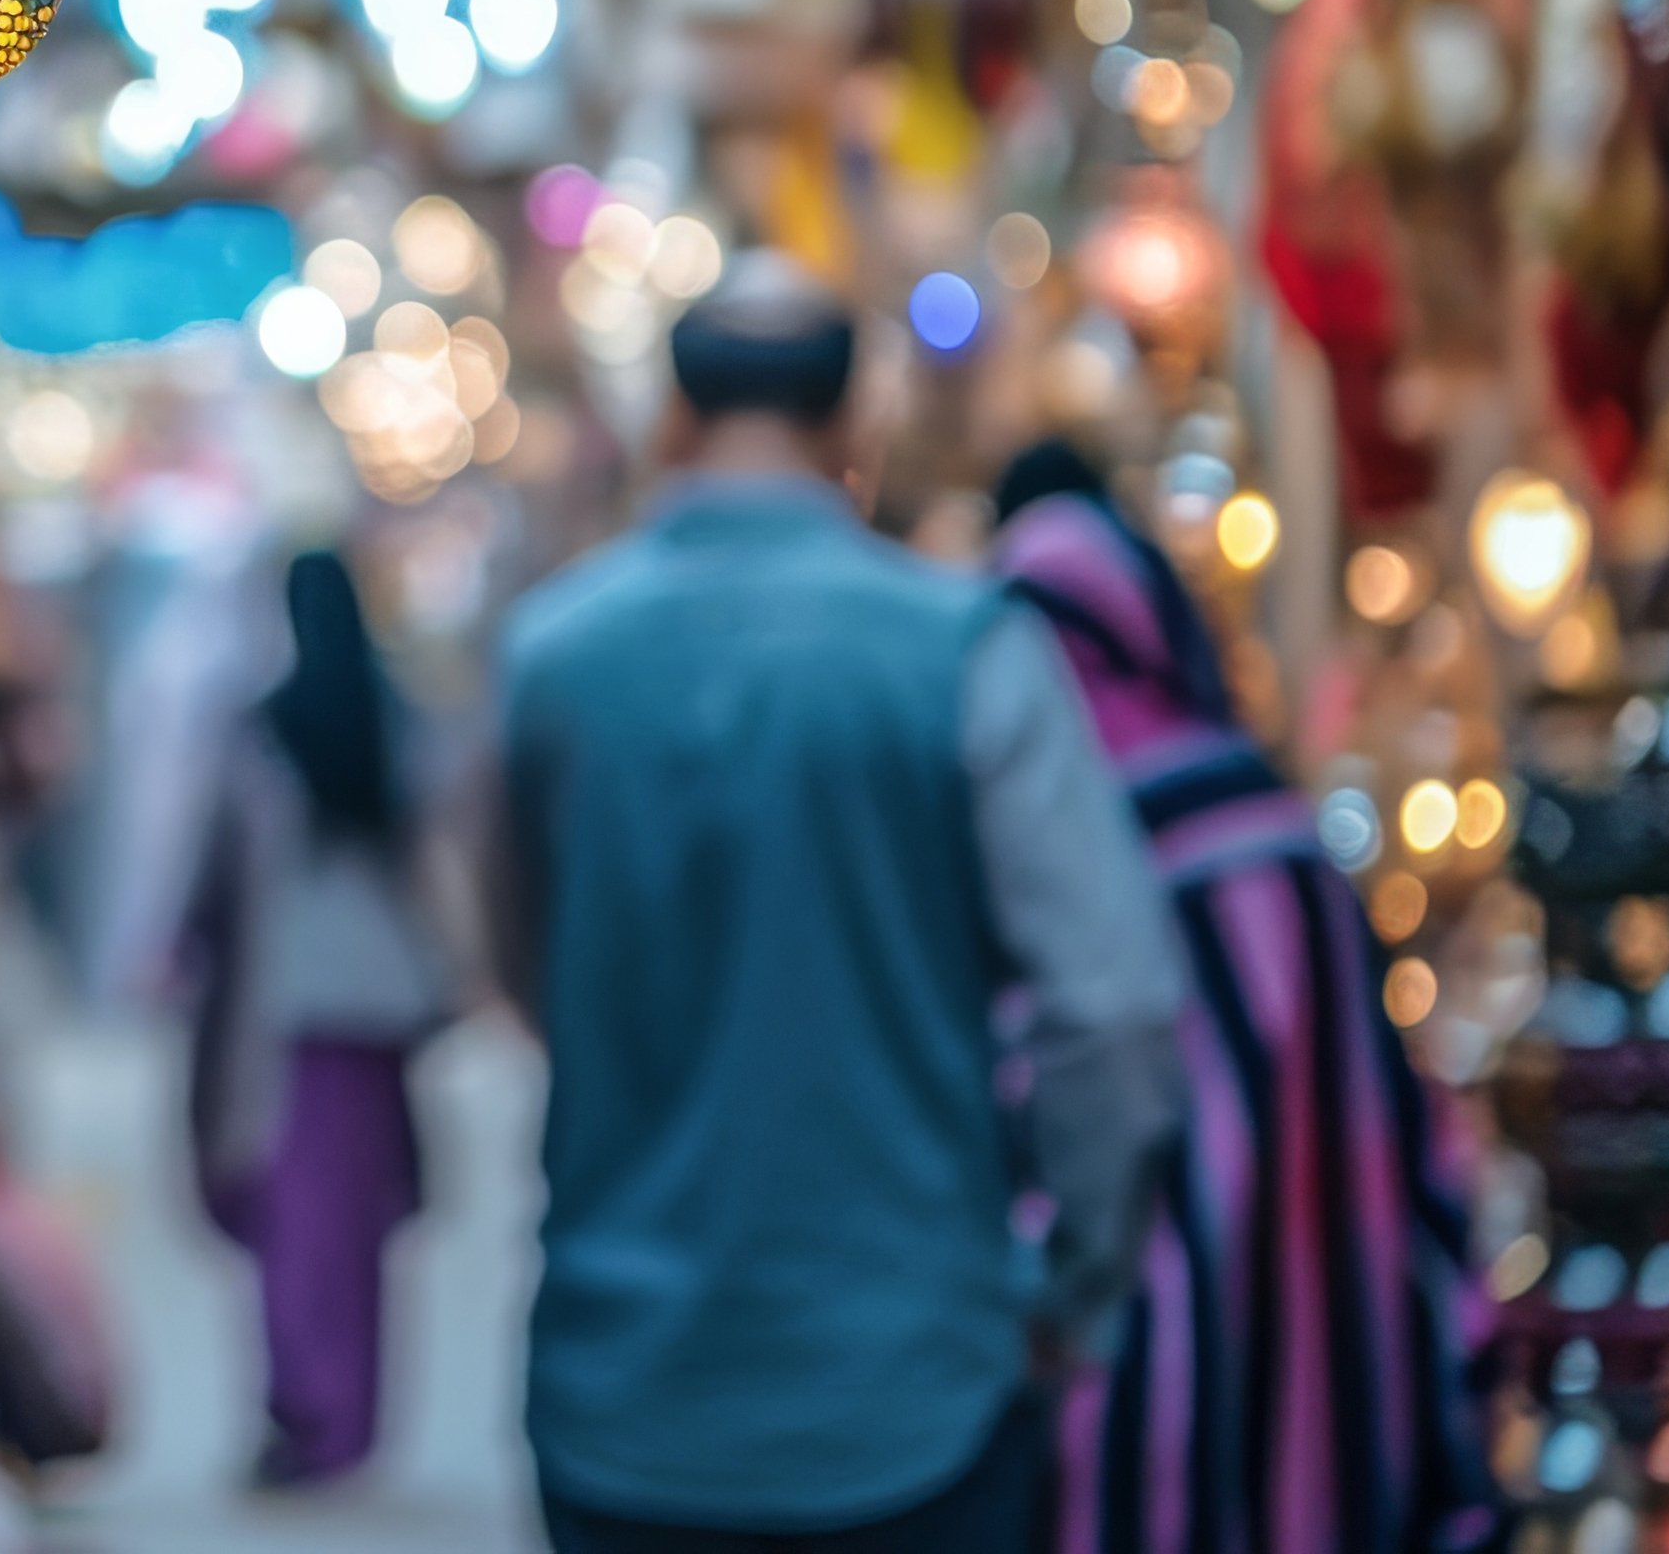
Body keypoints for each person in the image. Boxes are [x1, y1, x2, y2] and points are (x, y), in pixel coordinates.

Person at [492, 254, 1189, 1552]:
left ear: (675, 425)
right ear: (855, 431)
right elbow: (1113, 1007)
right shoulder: (968, 650)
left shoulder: (552, 664)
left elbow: (526, 973)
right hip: (915, 1387)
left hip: (626, 1392)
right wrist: (1077, 1289)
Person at [989, 444, 1495, 1554]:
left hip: (1096, 1395)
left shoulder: (1017, 843)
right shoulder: (1272, 830)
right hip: (1305, 1355)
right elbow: (1389, 1127)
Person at [183, 550, 451, 1487]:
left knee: (296, 1227)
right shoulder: (396, 726)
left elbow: (211, 872)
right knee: (359, 1232)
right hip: (380, 1005)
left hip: (284, 1011)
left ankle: (303, 1407)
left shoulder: (260, 734)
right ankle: (348, 1424)